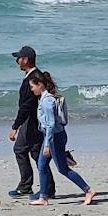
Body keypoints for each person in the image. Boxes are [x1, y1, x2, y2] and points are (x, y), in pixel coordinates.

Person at [30, 72, 94, 207]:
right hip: (52, 136)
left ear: (40, 85)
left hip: (54, 137)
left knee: (63, 169)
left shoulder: (47, 101)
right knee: (42, 165)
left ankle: (88, 190)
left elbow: (51, 124)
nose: (31, 89)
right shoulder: (44, 98)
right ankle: (43, 197)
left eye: (32, 86)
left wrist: (47, 144)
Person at [7, 46, 52, 200]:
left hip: (32, 122)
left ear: (25, 59)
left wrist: (15, 126)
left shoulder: (34, 77)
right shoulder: (32, 76)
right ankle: (38, 187)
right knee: (34, 153)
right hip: (32, 121)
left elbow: (27, 106)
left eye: (18, 58)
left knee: (24, 150)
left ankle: (36, 188)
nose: (17, 61)